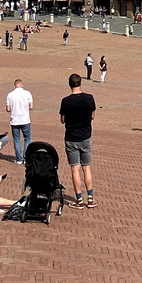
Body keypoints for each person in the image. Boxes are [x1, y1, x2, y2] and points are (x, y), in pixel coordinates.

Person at [60, 74, 97, 207]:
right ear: (80, 83)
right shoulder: (89, 98)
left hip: (71, 137)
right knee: (86, 168)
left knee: (75, 168)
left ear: (70, 84)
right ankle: (91, 198)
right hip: (86, 136)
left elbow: (62, 119)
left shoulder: (66, 101)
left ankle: (79, 200)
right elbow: (93, 115)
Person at [5, 79, 34, 164]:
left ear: (14, 85)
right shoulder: (27, 93)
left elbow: (8, 109)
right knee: (27, 139)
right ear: (22, 85)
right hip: (25, 119)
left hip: (15, 120)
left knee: (17, 139)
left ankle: (19, 159)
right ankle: (26, 158)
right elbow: (31, 106)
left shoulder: (10, 95)